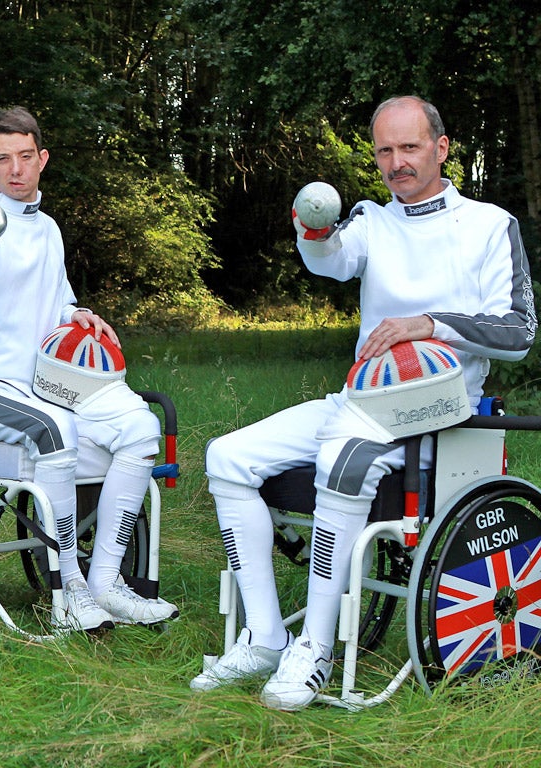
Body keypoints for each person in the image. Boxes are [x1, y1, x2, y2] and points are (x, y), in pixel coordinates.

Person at [191, 95, 536, 710]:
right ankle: (268, 637)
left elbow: (518, 332)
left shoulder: (489, 224)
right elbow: (331, 260)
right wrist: (314, 230)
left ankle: (315, 649)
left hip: (443, 413)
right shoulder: (373, 220)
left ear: (442, 147)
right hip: (363, 400)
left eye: (409, 147)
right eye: (384, 150)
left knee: (341, 462)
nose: (397, 162)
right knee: (227, 457)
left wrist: (429, 324)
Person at [0, 107, 179, 631]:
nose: (15, 169)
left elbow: (54, 300)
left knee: (140, 427)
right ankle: (70, 592)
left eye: (25, 157)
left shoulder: (48, 229)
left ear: (42, 159)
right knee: (53, 428)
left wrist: (76, 314)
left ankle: (107, 582)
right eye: (3, 160)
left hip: (45, 387)